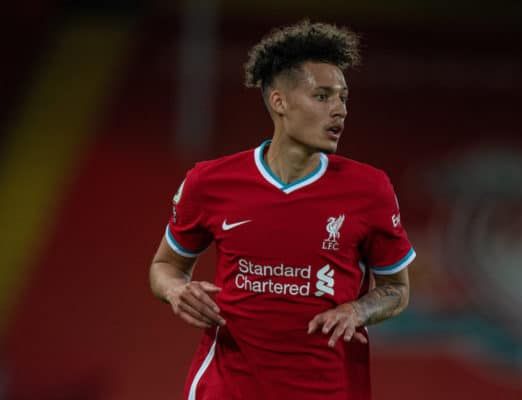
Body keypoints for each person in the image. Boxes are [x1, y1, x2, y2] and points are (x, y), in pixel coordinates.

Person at [149, 19, 415, 400]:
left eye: (343, 98)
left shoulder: (370, 189)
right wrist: (176, 289)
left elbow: (396, 290)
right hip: (227, 388)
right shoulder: (209, 182)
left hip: (328, 388)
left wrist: (356, 312)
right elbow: (164, 266)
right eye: (322, 97)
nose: (339, 110)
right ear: (280, 102)